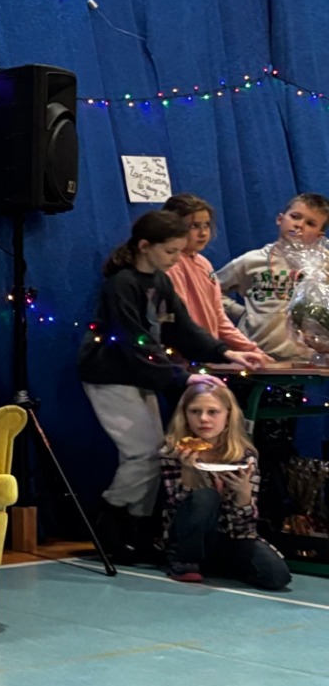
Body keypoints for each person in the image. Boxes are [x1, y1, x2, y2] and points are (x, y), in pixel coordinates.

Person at [79, 210, 241, 563]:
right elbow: (133, 339)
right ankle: (108, 525)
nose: (175, 259)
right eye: (170, 251)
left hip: (140, 375)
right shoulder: (122, 284)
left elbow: (182, 327)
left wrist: (225, 352)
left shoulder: (161, 282)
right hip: (111, 375)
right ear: (144, 246)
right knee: (143, 453)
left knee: (155, 452)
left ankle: (137, 529)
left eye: (179, 252)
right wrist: (182, 378)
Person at [158, 378, 291, 589]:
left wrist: (243, 495)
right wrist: (188, 473)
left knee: (276, 575)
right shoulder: (174, 451)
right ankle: (184, 562)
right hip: (185, 535)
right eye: (195, 411)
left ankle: (215, 563)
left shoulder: (244, 457)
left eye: (213, 412)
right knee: (206, 496)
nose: (204, 419)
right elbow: (174, 510)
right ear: (185, 415)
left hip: (227, 535)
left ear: (228, 416)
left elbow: (244, 529)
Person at [212, 193, 329, 361]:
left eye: (310, 223)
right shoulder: (252, 261)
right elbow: (210, 290)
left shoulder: (324, 265)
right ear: (280, 219)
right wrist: (241, 312)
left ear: (319, 235)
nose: (299, 225)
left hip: (307, 360)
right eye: (295, 216)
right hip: (257, 357)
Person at [160, 194, 269, 368]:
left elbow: (219, 317)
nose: (203, 233)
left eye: (206, 225)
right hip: (183, 359)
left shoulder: (204, 264)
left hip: (207, 355)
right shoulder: (171, 265)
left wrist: (253, 351)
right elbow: (183, 320)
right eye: (194, 226)